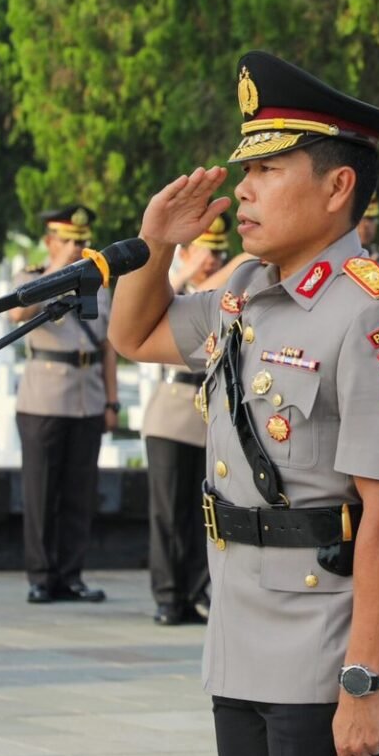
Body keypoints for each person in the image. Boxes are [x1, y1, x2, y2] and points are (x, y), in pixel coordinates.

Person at [108, 50, 379, 756]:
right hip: (242, 632)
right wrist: (156, 243)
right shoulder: (246, 291)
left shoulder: (373, 313)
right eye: (245, 170)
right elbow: (136, 334)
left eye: (268, 169)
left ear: (337, 187)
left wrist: (364, 679)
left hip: (330, 645)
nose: (244, 189)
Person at [13, 205, 118, 604]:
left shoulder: (98, 284)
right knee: (40, 492)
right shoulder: (30, 277)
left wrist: (112, 402)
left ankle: (71, 575)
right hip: (44, 398)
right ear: (50, 242)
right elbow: (18, 312)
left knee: (79, 492)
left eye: (82, 240)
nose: (77, 247)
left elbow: (107, 346)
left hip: (88, 396)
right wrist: (58, 269)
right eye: (69, 240)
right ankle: (41, 576)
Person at [141, 216, 232, 626]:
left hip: (212, 411)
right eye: (204, 250)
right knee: (168, 511)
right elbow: (148, 308)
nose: (211, 259)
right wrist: (185, 269)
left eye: (217, 251)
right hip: (174, 410)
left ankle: (197, 591)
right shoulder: (176, 290)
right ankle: (167, 595)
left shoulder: (225, 293)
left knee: (205, 511)